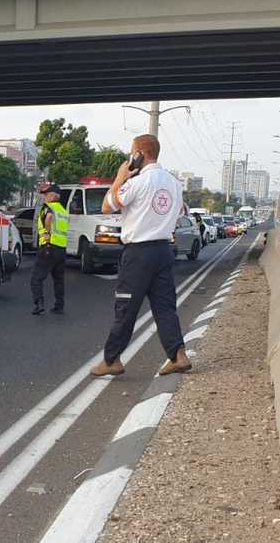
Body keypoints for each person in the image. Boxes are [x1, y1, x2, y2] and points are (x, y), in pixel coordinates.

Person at [91, 134, 192, 378]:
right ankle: (178, 355)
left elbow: (108, 206)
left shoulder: (137, 182)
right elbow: (179, 213)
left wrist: (119, 178)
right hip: (164, 251)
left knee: (125, 307)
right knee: (165, 306)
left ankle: (111, 359)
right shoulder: (174, 183)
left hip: (138, 253)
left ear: (139, 154)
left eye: (131, 152)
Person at [30, 183, 69, 315]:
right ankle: (59, 306)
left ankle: (39, 304)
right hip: (61, 249)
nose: (45, 197)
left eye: (46, 194)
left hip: (48, 247)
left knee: (36, 278)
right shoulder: (63, 210)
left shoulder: (48, 207)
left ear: (53, 195)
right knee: (58, 279)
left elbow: (49, 217)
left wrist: (46, 237)